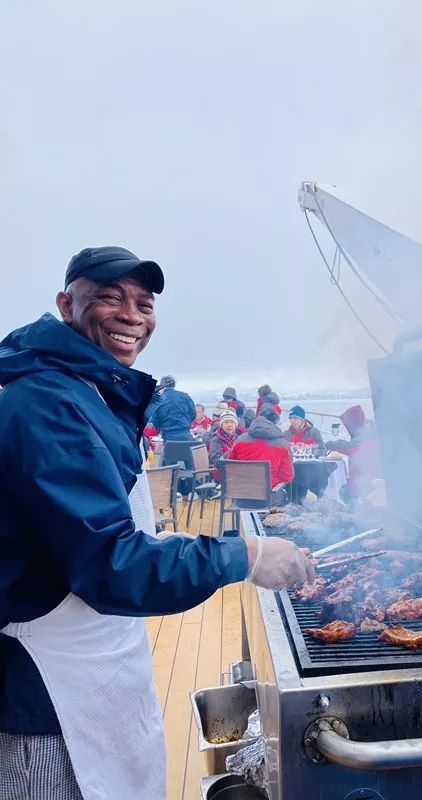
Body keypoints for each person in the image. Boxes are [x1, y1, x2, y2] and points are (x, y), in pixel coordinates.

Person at [0, 245, 313, 800]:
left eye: (144, 304)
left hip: (95, 672)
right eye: (109, 298)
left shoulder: (88, 391)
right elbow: (109, 563)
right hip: (46, 701)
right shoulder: (45, 402)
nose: (131, 316)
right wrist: (246, 556)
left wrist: (191, 544)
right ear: (65, 304)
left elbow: (97, 529)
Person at [228, 407, 294, 507]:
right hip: (268, 498)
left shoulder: (240, 439)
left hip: (241, 497)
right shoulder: (282, 444)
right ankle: (271, 521)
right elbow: (287, 476)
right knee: (285, 494)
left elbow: (230, 466)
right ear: (275, 423)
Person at [325, 405, 382, 502]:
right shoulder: (369, 432)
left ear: (355, 424)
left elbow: (351, 447)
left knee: (346, 494)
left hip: (364, 487)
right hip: (365, 482)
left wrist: (331, 444)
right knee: (344, 491)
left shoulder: (365, 437)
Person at [151, 375, 196, 443]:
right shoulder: (185, 396)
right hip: (184, 433)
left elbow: (155, 420)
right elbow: (193, 414)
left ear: (162, 386)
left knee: (170, 452)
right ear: (174, 384)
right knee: (186, 452)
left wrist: (159, 427)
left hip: (168, 434)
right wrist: (185, 422)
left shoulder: (158, 399)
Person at [209, 409, 245, 482]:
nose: (229, 425)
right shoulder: (216, 440)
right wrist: (232, 450)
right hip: (223, 475)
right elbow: (217, 461)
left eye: (232, 422)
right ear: (221, 425)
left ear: (236, 425)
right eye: (226, 422)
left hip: (241, 473)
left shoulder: (242, 438)